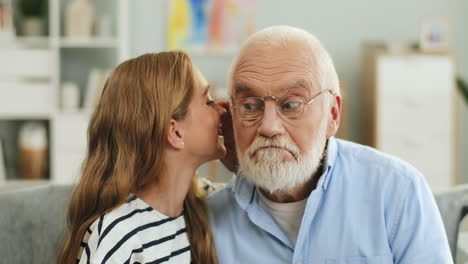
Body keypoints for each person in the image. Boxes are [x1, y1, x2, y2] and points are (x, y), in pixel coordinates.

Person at [208, 26, 452, 263]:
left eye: (291, 105)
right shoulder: (208, 221)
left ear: (332, 115)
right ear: (231, 115)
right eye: (250, 106)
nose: (269, 127)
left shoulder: (397, 191)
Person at [58, 51, 226, 264]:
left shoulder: (201, 203)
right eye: (208, 101)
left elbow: (263, 199)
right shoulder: (119, 234)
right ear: (175, 132)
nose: (223, 109)